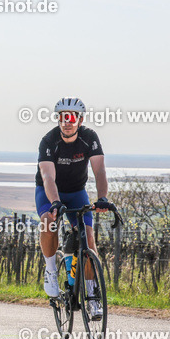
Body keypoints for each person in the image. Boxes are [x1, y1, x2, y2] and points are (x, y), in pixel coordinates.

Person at [35, 97, 113, 318]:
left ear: (80, 120)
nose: (66, 122)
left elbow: (99, 171)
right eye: (62, 117)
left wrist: (103, 198)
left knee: (88, 239)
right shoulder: (48, 141)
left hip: (77, 192)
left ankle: (92, 294)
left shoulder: (90, 138)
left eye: (71, 118)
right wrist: (55, 202)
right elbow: (48, 176)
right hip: (50, 191)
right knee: (49, 222)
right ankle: (50, 270)